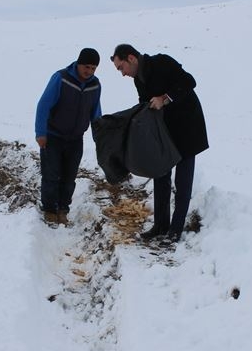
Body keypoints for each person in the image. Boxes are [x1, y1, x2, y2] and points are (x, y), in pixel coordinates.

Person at [110, 44, 209, 242]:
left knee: (183, 181)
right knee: (160, 174)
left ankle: (175, 229)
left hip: (188, 128)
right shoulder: (138, 79)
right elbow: (145, 104)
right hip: (165, 133)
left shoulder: (161, 62)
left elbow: (189, 82)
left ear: (131, 58)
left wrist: (165, 98)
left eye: (121, 68)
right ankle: (160, 225)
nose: (122, 74)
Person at [35, 47, 102, 225]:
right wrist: (41, 133)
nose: (89, 71)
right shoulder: (62, 78)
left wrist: (100, 138)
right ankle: (49, 209)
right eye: (86, 67)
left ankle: (63, 209)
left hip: (75, 139)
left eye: (93, 68)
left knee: (69, 176)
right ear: (78, 64)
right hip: (53, 136)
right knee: (51, 174)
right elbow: (43, 105)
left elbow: (96, 114)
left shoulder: (95, 85)